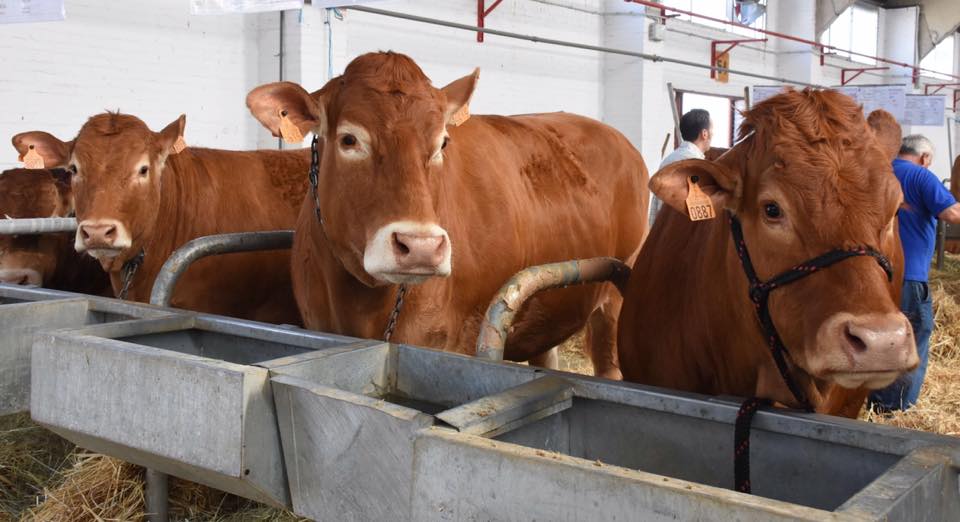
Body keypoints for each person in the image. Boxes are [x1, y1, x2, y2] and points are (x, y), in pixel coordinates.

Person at [868, 134, 960, 412]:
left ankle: (872, 399)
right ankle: (894, 407)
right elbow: (952, 214)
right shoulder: (922, 176)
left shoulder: (877, 172)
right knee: (913, 335)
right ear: (925, 158)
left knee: (878, 336)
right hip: (910, 275)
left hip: (874, 274)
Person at [649, 109, 713, 223]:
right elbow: (701, 216)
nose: (713, 134)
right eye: (712, 130)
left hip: (662, 233)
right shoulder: (696, 165)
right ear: (704, 134)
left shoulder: (668, 160)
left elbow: (655, 208)